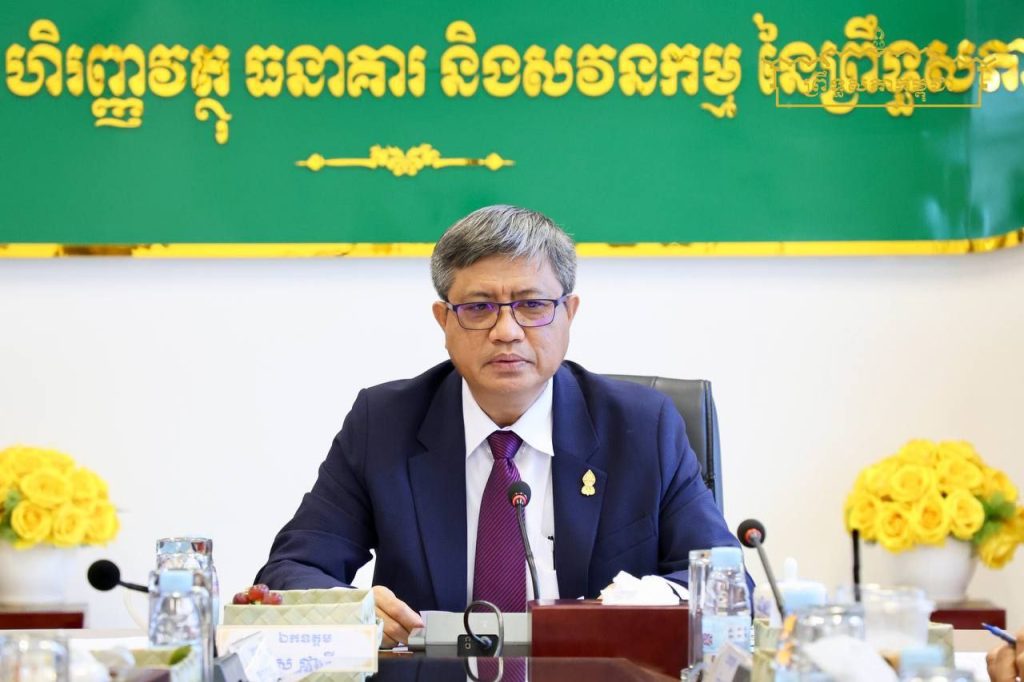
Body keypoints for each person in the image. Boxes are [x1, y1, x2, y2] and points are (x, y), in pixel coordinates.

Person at [255, 205, 741, 646]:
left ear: (569, 314)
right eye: (479, 307)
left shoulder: (643, 426)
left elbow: (726, 584)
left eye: (532, 305)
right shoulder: (383, 424)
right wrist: (354, 609)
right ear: (444, 321)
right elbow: (288, 573)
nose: (506, 331)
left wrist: (637, 602)